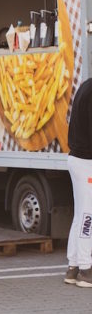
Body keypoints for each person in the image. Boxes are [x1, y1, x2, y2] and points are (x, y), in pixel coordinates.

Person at [65, 77, 92, 287]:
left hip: (76, 158)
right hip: (86, 161)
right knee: (88, 215)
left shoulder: (85, 86)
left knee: (80, 213)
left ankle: (73, 266)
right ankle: (85, 269)